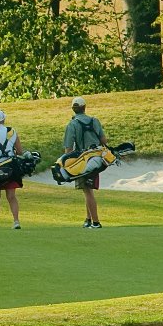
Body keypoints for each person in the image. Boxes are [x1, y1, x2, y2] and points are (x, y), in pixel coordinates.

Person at [63, 96, 107, 229]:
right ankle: (88, 219)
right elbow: (104, 141)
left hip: (83, 160)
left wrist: (66, 164)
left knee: (87, 191)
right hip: (97, 159)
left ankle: (95, 222)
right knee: (88, 189)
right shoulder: (94, 121)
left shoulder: (72, 124)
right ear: (84, 107)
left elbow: (68, 149)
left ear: (73, 109)